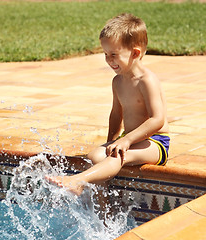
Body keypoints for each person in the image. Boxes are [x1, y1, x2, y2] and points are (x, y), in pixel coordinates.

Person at [45, 13, 170, 196]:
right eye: (105, 54)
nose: (109, 60)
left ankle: (77, 181)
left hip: (155, 142)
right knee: (95, 156)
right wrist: (112, 140)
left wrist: (126, 140)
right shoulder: (118, 82)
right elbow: (116, 115)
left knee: (119, 156)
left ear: (135, 53)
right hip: (131, 138)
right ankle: (104, 210)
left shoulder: (147, 80)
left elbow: (158, 119)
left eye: (114, 55)